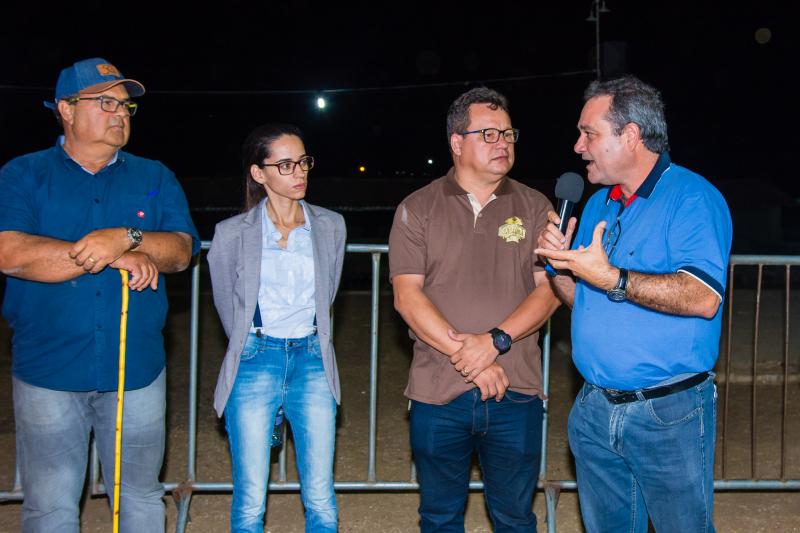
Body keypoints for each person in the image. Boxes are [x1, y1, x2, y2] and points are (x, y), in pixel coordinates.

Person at [0, 58, 200, 532]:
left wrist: (127, 235)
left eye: (126, 105)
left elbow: (180, 250)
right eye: (106, 102)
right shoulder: (22, 174)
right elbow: (11, 252)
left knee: (139, 498)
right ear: (66, 109)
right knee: (50, 505)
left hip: (136, 371)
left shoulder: (154, 175)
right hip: (47, 370)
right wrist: (113, 252)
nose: (121, 114)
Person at [535, 75, 732, 532]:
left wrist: (612, 277)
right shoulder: (601, 203)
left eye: (590, 133)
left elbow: (703, 297)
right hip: (594, 409)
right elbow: (582, 301)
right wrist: (559, 266)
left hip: (667, 414)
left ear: (630, 135)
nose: (578, 145)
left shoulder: (692, 197)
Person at [389, 87, 560, 532]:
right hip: (437, 391)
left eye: (508, 133)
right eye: (488, 133)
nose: (503, 142)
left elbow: (548, 292)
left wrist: (495, 341)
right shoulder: (417, 208)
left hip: (516, 390)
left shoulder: (535, 207)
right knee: (440, 518)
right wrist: (473, 357)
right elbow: (408, 297)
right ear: (456, 142)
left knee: (515, 518)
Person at [208, 123, 346, 533]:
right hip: (254, 358)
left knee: (320, 494)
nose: (299, 172)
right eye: (284, 164)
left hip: (313, 359)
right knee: (251, 498)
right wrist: (250, 340)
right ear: (258, 173)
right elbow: (226, 302)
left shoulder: (331, 226)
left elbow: (330, 289)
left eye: (303, 161)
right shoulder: (231, 233)